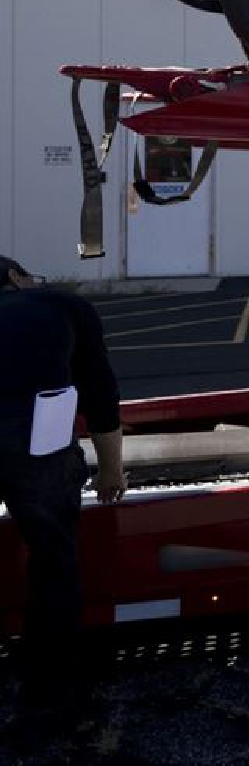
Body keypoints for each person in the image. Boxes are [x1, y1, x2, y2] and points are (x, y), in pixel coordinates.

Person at [0, 254, 124, 712]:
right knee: (53, 560)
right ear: (15, 277)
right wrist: (111, 469)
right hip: (35, 446)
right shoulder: (58, 305)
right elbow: (100, 393)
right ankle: (52, 694)